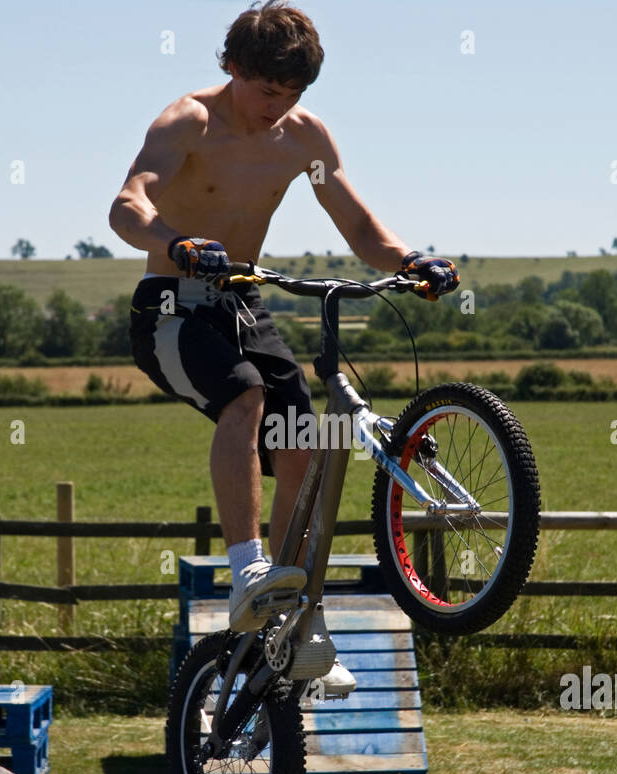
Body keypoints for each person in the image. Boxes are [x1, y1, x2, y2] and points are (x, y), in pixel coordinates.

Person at [109, 0, 458, 695]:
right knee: (245, 393)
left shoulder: (303, 139)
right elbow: (127, 205)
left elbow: (356, 221)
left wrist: (409, 260)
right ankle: (248, 569)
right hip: (173, 310)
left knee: (307, 443)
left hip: (243, 303)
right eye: (269, 91)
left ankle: (292, 629)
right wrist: (174, 242)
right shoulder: (188, 121)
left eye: (293, 94)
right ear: (234, 67)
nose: (279, 107)